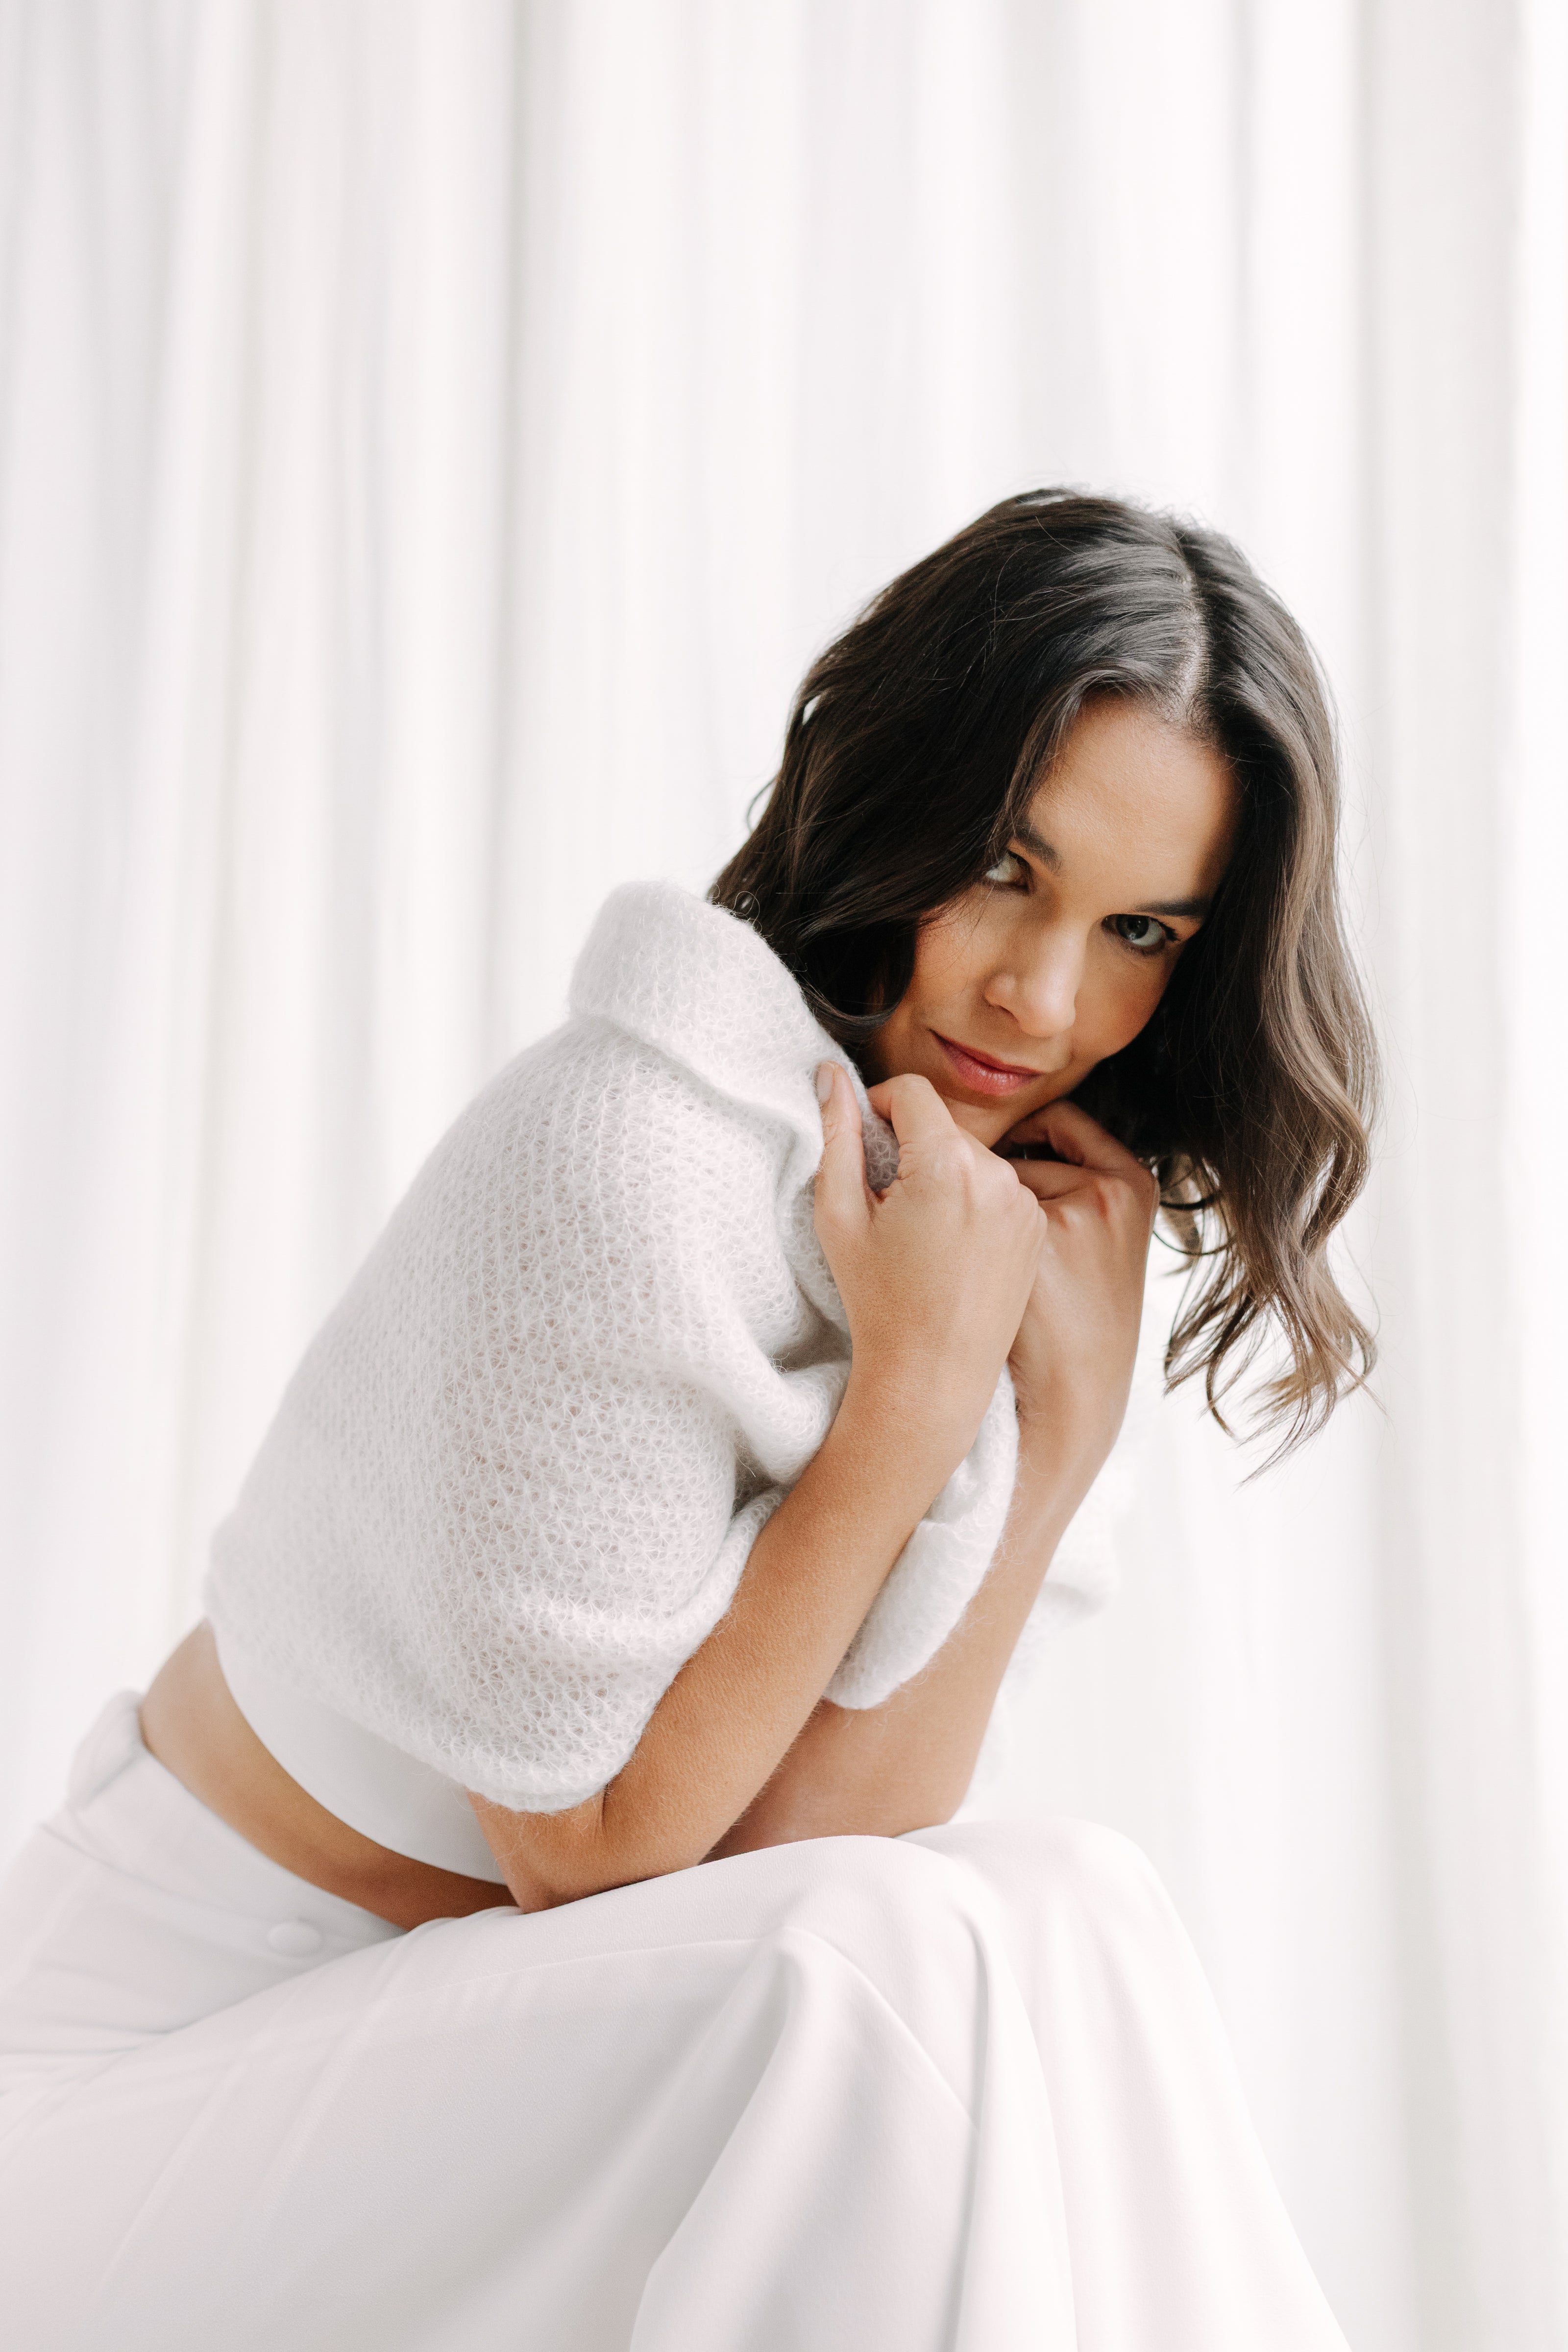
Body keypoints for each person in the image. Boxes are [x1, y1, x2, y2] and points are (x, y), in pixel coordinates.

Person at [0, 490, 1375, 2350]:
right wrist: (916, 1390)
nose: (1043, 996)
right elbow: (596, 1862)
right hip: (127, 2080)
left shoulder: (1001, 1239)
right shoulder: (626, 1144)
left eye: (1138, 928)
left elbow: (817, 1828)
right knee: (864, 1969)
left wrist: (1054, 1438)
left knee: (1071, 1900)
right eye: (1003, 869)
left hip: (466, 2072)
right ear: (889, 798)